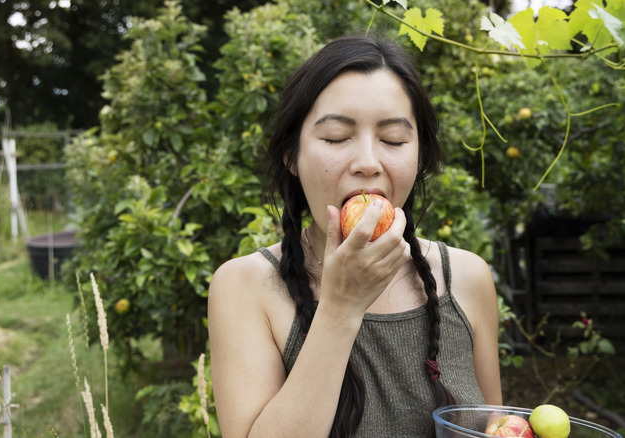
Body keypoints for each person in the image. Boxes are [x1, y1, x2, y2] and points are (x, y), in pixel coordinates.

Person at [208, 33, 502, 438]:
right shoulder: (246, 287)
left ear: (418, 159)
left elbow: (496, 427)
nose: (367, 163)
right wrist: (341, 307)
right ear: (291, 155)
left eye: (393, 140)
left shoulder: (466, 278)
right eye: (335, 138)